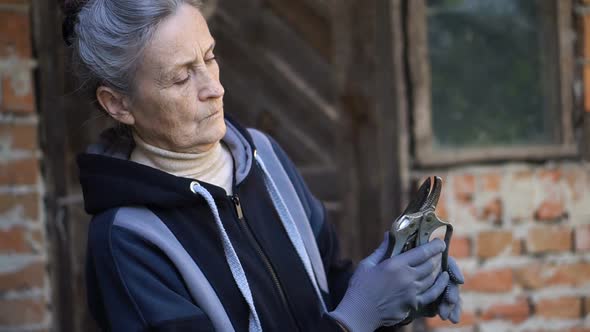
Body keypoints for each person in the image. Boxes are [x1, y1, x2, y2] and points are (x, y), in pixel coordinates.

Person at [64, 0, 464, 331]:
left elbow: (335, 288)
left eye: (210, 57)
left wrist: (396, 295)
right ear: (118, 104)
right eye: (182, 77)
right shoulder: (126, 241)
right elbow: (347, 318)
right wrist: (357, 317)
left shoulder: (264, 156)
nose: (214, 87)